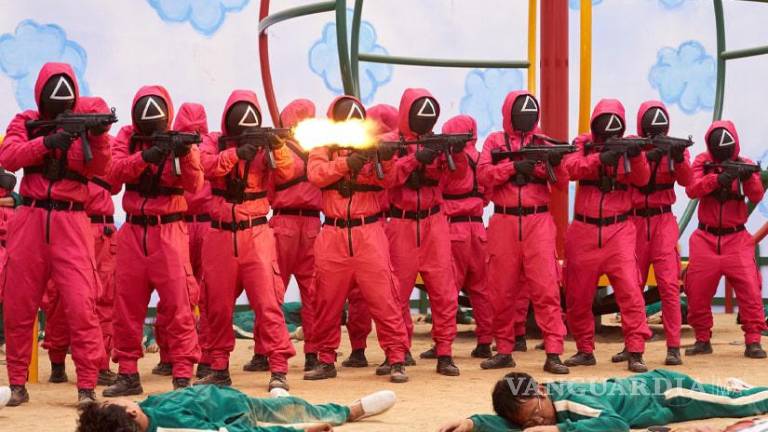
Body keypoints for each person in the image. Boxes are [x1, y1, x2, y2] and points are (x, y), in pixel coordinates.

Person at [1, 63, 112, 405]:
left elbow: (102, 168)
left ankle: (87, 386)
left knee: (82, 305)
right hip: (30, 219)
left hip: (72, 221)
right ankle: (17, 384)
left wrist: (97, 137)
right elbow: (8, 156)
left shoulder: (87, 127)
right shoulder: (25, 121)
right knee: (19, 306)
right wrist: (46, 143)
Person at [105, 85, 203, 397]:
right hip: (133, 230)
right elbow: (112, 174)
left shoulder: (181, 141)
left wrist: (183, 154)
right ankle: (128, 373)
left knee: (179, 305)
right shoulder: (127, 136)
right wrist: (146, 157)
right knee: (126, 306)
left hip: (169, 230)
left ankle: (183, 375)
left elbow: (195, 184)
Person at [304, 95, 409, 383]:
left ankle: (396, 358)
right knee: (325, 300)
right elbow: (316, 174)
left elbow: (388, 181)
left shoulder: (373, 144)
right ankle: (326, 358)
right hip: (333, 232)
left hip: (369, 231)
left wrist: (385, 159)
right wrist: (348, 162)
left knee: (384, 298)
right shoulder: (322, 146)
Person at [197, 89, 296, 391]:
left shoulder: (267, 144)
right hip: (219, 234)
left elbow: (288, 172)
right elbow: (205, 166)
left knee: (268, 304)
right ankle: (218, 367)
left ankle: (278, 368)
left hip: (256, 233)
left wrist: (277, 147)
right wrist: (237, 153)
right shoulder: (213, 141)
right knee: (216, 306)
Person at [476, 91, 569, 374]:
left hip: (537, 221)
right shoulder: (494, 141)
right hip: (503, 221)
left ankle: (554, 352)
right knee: (500, 290)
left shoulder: (544, 143)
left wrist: (550, 165)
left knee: (546, 289)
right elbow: (483, 175)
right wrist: (513, 167)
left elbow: (562, 183)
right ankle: (504, 350)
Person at [561, 98, 652, 372]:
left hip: (619, 229)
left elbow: (642, 179)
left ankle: (635, 350)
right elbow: (569, 168)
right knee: (577, 295)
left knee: (630, 292)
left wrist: (635, 156)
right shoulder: (583, 142)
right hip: (583, 230)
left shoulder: (631, 145)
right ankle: (584, 349)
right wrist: (600, 159)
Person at [383, 88, 466, 376]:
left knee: (445, 292)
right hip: (401, 222)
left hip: (434, 222)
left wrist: (454, 154)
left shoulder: (436, 141)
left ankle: (445, 352)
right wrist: (415, 159)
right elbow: (387, 178)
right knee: (396, 292)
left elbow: (456, 178)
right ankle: (397, 352)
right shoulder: (389, 142)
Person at [40, 96, 121, 388]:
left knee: (68, 297)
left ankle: (63, 364)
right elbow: (115, 182)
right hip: (88, 229)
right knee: (95, 300)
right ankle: (92, 365)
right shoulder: (99, 146)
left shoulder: (70, 141)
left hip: (80, 228)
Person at [612, 101, 692, 367]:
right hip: (634, 221)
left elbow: (688, 181)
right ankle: (631, 344)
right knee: (631, 287)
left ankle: (673, 347)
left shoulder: (676, 147)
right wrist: (647, 156)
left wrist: (678, 159)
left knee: (669, 286)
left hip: (663, 220)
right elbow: (625, 175)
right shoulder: (632, 145)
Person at [438, 369, 768, 432]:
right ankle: (734, 387)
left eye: (537, 414)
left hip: (667, 393)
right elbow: (518, 426)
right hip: (651, 402)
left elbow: (616, 425)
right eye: (531, 422)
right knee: (730, 399)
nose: (540, 422)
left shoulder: (572, 402)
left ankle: (740, 390)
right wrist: (473, 423)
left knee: (739, 405)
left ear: (541, 391)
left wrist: (560, 431)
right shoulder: (536, 406)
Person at [684, 120, 766, 358]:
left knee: (750, 291)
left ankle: (753, 340)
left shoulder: (745, 163)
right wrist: (718, 179)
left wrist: (746, 177)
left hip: (736, 237)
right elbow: (692, 189)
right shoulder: (702, 162)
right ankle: (702, 339)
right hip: (705, 237)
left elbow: (756, 195)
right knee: (697, 291)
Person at [254, 98, 321, 373]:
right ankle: (314, 353)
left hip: (283, 224)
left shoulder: (278, 149)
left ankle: (263, 352)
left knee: (270, 291)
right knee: (313, 294)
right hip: (314, 226)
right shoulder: (320, 148)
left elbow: (267, 190)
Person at [421, 114, 494, 360]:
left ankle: (443, 342)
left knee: (447, 290)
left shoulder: (450, 158)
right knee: (481, 289)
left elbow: (437, 185)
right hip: (478, 229)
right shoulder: (482, 158)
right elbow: (487, 194)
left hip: (453, 228)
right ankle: (485, 341)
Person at [151, 102, 212, 379]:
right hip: (205, 225)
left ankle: (170, 356)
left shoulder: (171, 143)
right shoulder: (212, 143)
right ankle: (205, 357)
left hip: (180, 224)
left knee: (174, 295)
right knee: (202, 294)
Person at [76, 385, 397, 432]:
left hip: (225, 396)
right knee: (295, 409)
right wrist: (300, 431)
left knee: (284, 404)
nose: (120, 398)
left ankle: (280, 400)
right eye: (112, 402)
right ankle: (350, 411)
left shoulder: (145, 408)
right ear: (130, 414)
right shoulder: (175, 428)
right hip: (239, 412)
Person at [342, 102, 399, 369]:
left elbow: (391, 178)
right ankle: (365, 349)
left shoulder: (389, 146)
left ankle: (390, 353)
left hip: (380, 224)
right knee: (369, 294)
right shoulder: (359, 146)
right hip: (374, 224)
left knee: (382, 294)